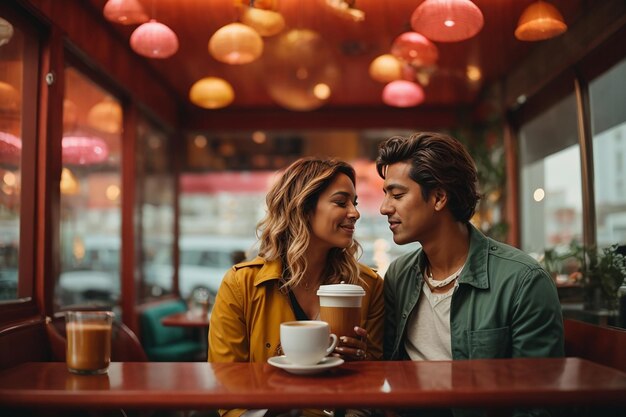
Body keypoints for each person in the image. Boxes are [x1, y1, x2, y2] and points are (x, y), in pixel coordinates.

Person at [376, 132, 564, 416]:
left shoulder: (523, 280)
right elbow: (389, 371)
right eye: (386, 195)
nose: (384, 208)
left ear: (439, 197)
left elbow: (539, 401)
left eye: (398, 195)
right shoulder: (398, 275)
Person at [209, 157, 384, 417]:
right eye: (340, 202)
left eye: (355, 203)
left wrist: (360, 363)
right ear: (303, 208)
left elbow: (376, 384)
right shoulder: (241, 284)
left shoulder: (367, 286)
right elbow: (226, 388)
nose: (355, 213)